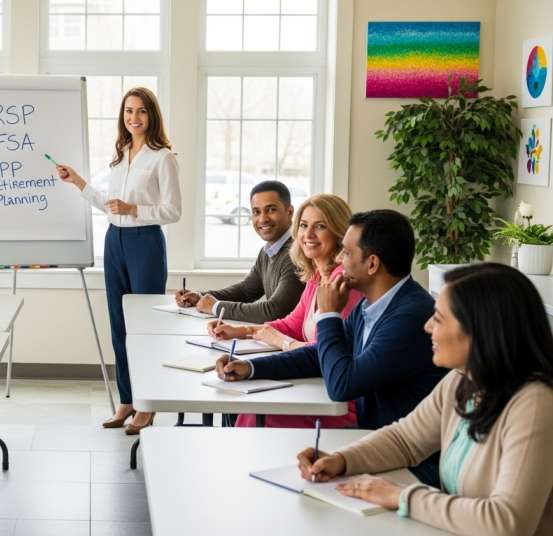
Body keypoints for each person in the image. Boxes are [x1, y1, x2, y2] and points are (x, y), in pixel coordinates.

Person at [298, 263, 553, 536]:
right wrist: (341, 460)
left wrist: (402, 497)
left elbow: (507, 523)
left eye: (439, 319)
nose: (428, 326)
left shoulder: (536, 403)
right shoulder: (462, 381)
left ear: (479, 330)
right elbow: (405, 440)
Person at [218, 209, 446, 484]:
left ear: (372, 264)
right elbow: (318, 355)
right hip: (372, 434)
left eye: (347, 253)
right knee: (255, 412)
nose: (339, 259)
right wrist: (251, 367)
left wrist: (328, 315)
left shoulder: (409, 315)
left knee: (262, 420)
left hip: (399, 453)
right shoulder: (371, 302)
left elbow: (342, 386)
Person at [55, 86, 181, 435]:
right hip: (115, 240)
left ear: (151, 116)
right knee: (119, 326)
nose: (134, 118)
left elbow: (173, 211)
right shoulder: (121, 154)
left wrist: (133, 209)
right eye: (128, 111)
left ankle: (147, 405)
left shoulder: (163, 157)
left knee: (145, 329)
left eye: (141, 111)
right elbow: (109, 205)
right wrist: (78, 182)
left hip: (146, 243)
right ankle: (127, 400)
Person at [209, 194, 363, 429]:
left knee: (254, 412)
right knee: (245, 403)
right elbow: (292, 323)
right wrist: (241, 331)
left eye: (320, 226)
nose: (308, 235)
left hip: (337, 400)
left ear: (339, 233)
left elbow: (329, 352)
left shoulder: (342, 284)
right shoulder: (316, 276)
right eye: (303, 226)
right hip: (314, 385)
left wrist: (283, 342)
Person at [175, 180, 304, 322]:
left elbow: (274, 311)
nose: (263, 219)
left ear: (289, 211)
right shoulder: (269, 251)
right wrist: (200, 297)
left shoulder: (296, 254)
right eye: (256, 212)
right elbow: (246, 291)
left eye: (271, 209)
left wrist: (216, 307)